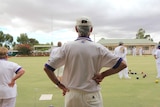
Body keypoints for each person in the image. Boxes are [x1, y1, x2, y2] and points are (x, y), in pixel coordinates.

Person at [43, 16, 127, 107]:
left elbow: (47, 68)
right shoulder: (99, 48)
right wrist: (103, 75)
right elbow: (122, 64)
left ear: (76, 29)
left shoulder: (67, 47)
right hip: (91, 95)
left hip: (71, 95)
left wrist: (59, 85)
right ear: (91, 29)